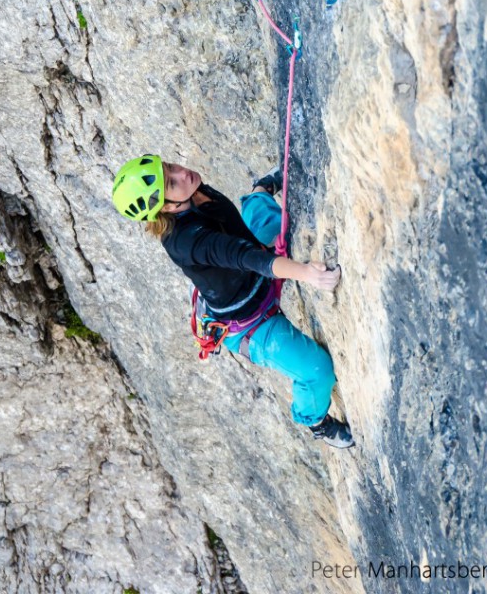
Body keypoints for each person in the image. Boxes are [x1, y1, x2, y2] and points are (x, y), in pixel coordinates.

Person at [112, 155, 354, 449]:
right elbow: (246, 258)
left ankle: (260, 192)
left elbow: (242, 241)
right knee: (316, 370)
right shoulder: (187, 241)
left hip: (252, 268)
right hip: (250, 323)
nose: (182, 173)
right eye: (171, 183)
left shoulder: (194, 192)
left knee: (274, 222)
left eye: (170, 168)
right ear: (164, 208)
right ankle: (315, 422)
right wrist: (306, 273)